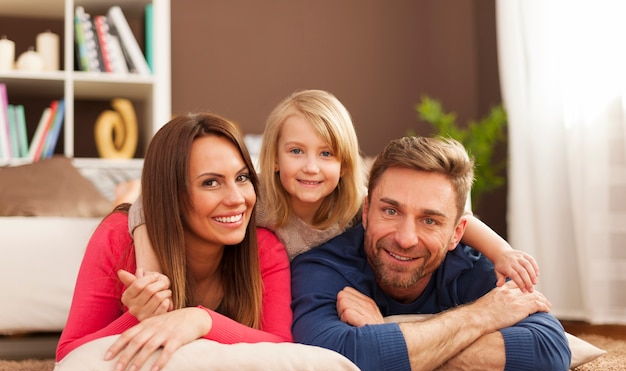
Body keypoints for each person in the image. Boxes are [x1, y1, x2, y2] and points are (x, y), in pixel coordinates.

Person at [127, 90, 538, 304]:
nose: (310, 167)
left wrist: (501, 252)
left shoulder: (362, 204)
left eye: (326, 154)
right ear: (272, 158)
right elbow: (151, 197)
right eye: (296, 152)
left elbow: (452, 214)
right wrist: (150, 270)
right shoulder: (254, 198)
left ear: (344, 163)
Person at [290, 136, 571, 371]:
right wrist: (480, 316)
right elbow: (332, 357)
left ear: (457, 233)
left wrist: (382, 337)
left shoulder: (474, 267)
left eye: (429, 220)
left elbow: (549, 350)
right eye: (390, 211)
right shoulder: (321, 267)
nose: (406, 238)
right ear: (366, 212)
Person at [56, 113, 293, 371]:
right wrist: (139, 316)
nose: (237, 199)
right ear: (172, 195)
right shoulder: (117, 237)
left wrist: (201, 320)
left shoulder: (264, 247)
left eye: (242, 178)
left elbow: (284, 347)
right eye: (211, 183)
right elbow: (67, 356)